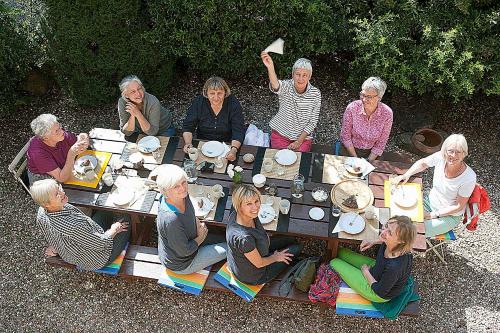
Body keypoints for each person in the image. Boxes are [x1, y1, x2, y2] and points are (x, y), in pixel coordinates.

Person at [30, 179, 130, 270]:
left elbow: (52, 234)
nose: (62, 192)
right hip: (97, 258)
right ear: (47, 204)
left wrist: (56, 246)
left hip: (73, 252)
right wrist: (114, 230)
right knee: (125, 216)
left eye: (59, 188)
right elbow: (101, 244)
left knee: (109, 207)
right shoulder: (73, 226)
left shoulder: (41, 212)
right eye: (56, 194)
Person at [391, 134, 476, 237]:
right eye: (450, 151)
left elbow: (458, 206)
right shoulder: (441, 157)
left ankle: (400, 249)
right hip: (429, 202)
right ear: (445, 150)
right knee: (397, 216)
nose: (453, 155)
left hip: (448, 216)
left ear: (464, 154)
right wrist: (406, 174)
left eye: (458, 152)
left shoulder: (469, 177)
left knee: (410, 232)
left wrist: (432, 215)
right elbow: (423, 163)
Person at [155, 164, 227, 274]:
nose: (182, 188)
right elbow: (185, 251)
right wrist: (200, 238)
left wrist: (197, 225)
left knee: (226, 237)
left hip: (192, 237)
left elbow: (190, 215)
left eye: (183, 182)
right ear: (165, 191)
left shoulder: (182, 195)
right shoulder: (170, 220)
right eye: (176, 186)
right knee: (230, 247)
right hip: (183, 262)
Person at [226, 184, 302, 285]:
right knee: (297, 248)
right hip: (254, 274)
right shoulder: (243, 238)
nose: (255, 207)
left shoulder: (240, 214)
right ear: (239, 207)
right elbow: (259, 263)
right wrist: (275, 257)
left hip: (258, 247)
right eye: (249, 204)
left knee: (291, 239)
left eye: (256, 201)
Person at [330, 216, 416, 302]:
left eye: (390, 233)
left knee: (334, 262)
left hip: (376, 291)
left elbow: (380, 291)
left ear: (401, 241)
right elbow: (384, 238)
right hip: (377, 269)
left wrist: (366, 272)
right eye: (386, 226)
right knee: (340, 252)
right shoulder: (397, 245)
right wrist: (373, 241)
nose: (383, 232)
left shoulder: (395, 267)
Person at [261, 52, 321, 152]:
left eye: (304, 75)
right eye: (298, 74)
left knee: (298, 162)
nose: (301, 78)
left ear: (310, 76)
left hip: (303, 139)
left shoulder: (315, 93)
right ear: (293, 74)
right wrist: (270, 67)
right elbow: (275, 85)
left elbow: (313, 122)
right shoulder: (286, 86)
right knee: (278, 160)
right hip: (281, 134)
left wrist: (298, 141)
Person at [182, 76, 245, 162]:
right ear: (206, 93)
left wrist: (233, 150)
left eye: (219, 93)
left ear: (225, 92)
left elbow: (238, 130)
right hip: (203, 142)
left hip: (226, 144)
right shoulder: (199, 102)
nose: (216, 98)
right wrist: (188, 143)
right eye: (212, 93)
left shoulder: (233, 104)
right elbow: (188, 126)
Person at [340, 77, 393, 161]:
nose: (364, 99)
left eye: (369, 97)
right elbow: (345, 136)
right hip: (349, 149)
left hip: (372, 153)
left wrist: (368, 162)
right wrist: (356, 159)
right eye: (363, 95)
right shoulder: (352, 108)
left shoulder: (387, 113)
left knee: (375, 173)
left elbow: (381, 142)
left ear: (379, 97)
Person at [27, 113, 89, 184]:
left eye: (60, 127)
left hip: (62, 168)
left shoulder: (60, 136)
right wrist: (71, 154)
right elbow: (62, 178)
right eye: (57, 131)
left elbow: (77, 140)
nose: (62, 131)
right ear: (46, 137)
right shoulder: (37, 153)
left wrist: (84, 137)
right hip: (45, 181)